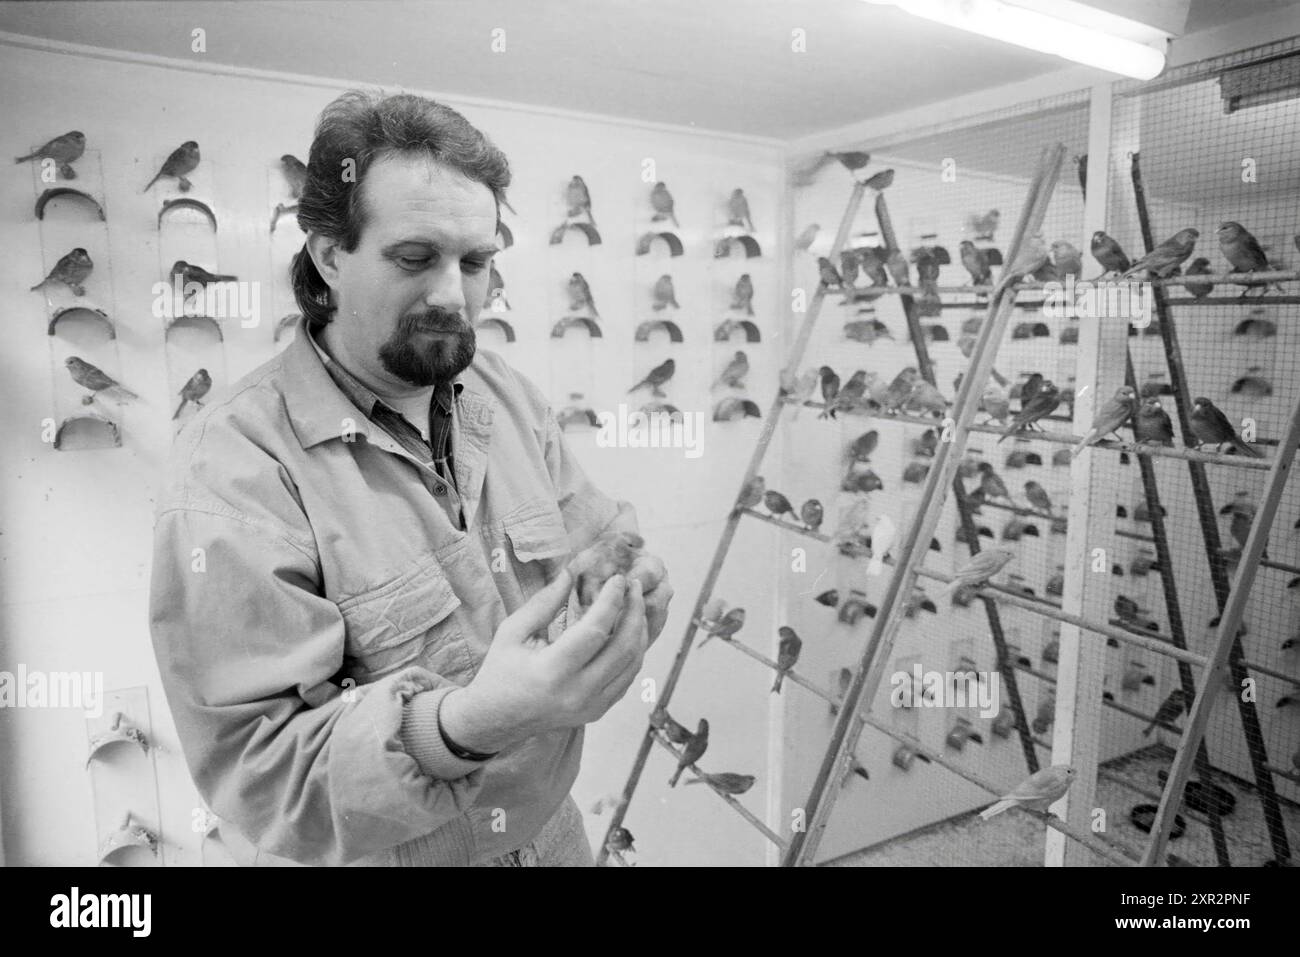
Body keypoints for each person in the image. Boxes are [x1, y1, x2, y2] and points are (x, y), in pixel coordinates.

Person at [149, 90, 672, 867]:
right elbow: (264, 777)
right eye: (414, 257)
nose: (452, 296)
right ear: (330, 255)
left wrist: (627, 585)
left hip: (551, 833)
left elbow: (597, 538)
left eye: (476, 261)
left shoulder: (506, 395)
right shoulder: (232, 467)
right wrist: (466, 725)